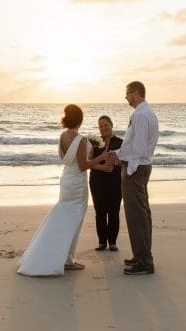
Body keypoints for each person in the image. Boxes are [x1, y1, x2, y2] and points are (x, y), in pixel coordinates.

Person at [17, 104, 110, 276]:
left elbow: (70, 160)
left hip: (67, 180)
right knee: (74, 220)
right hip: (77, 184)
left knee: (63, 214)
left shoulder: (63, 136)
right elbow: (83, 166)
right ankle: (67, 259)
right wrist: (101, 157)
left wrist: (91, 156)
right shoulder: (81, 140)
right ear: (80, 120)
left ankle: (59, 256)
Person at [111, 81, 159, 275]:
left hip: (135, 169)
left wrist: (118, 158)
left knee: (136, 216)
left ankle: (144, 261)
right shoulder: (147, 113)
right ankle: (142, 255)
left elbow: (138, 150)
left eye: (128, 93)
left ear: (136, 93)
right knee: (142, 213)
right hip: (141, 166)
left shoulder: (141, 115)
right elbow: (134, 146)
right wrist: (118, 153)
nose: (125, 97)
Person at [89, 115, 123, 252]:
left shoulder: (121, 142)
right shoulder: (95, 143)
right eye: (101, 126)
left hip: (115, 181)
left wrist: (115, 161)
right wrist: (102, 164)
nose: (103, 128)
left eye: (106, 125)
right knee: (100, 212)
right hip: (97, 181)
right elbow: (88, 162)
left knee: (114, 211)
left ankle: (113, 242)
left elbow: (125, 162)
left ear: (111, 125)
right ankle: (102, 242)